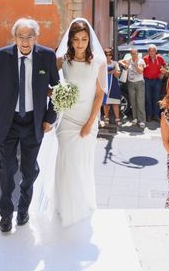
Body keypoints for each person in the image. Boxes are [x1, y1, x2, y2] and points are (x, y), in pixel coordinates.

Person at [0, 18, 60, 233]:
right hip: (8, 122)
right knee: (6, 170)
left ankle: (23, 209)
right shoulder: (0, 58)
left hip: (34, 122)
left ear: (36, 37)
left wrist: (49, 118)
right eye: (21, 37)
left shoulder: (47, 56)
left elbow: (57, 89)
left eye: (29, 37)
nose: (25, 42)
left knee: (29, 170)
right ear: (14, 37)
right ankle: (6, 215)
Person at [52, 18, 107, 226]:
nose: (80, 43)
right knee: (67, 162)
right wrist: (56, 94)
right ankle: (65, 208)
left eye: (84, 39)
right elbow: (49, 83)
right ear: (71, 41)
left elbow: (100, 95)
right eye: (76, 39)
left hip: (87, 120)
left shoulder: (99, 64)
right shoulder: (62, 61)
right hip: (67, 119)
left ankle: (82, 204)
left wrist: (89, 123)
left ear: (89, 41)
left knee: (82, 163)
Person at [119, 48, 146, 128]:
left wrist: (134, 65)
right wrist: (124, 65)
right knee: (133, 102)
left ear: (137, 54)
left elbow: (140, 71)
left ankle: (142, 120)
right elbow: (120, 61)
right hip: (131, 83)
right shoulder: (129, 60)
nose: (133, 55)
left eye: (135, 53)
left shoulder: (141, 61)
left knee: (140, 102)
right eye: (132, 53)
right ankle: (135, 118)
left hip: (139, 83)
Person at [143, 44, 166, 122]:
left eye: (153, 51)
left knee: (156, 98)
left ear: (156, 51)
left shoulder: (160, 58)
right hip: (147, 80)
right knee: (148, 98)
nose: (152, 52)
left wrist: (162, 73)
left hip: (157, 81)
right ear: (148, 51)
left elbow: (164, 67)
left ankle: (156, 115)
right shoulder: (145, 59)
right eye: (150, 51)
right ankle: (149, 116)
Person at [102, 47, 122, 127]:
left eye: (110, 55)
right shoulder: (102, 63)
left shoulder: (114, 63)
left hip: (113, 85)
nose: (108, 56)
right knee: (106, 103)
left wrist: (114, 72)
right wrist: (111, 72)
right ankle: (106, 118)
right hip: (104, 84)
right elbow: (100, 74)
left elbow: (118, 74)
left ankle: (117, 119)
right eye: (106, 55)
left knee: (115, 103)